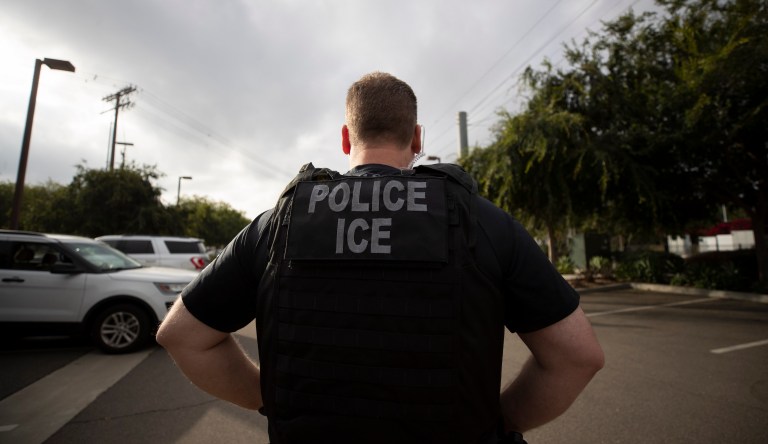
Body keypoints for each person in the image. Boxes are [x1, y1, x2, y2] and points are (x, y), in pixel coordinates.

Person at [157, 72, 604, 444]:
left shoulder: (280, 223)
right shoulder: (482, 221)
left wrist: (271, 400)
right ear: (417, 138)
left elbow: (182, 335)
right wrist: (498, 421)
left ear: (347, 137)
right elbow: (577, 357)